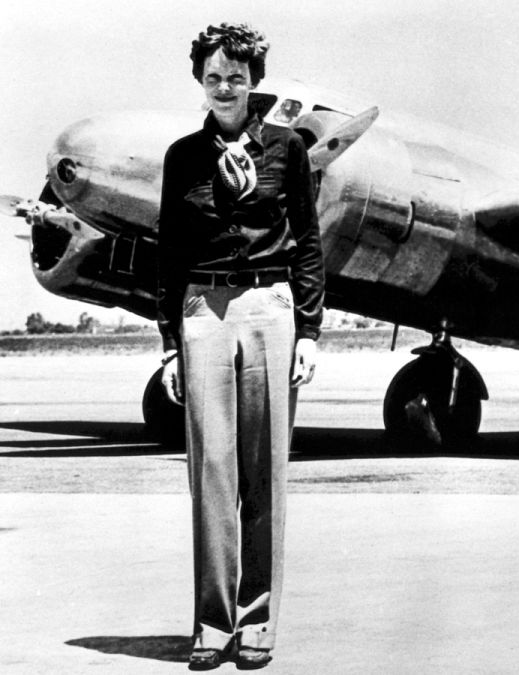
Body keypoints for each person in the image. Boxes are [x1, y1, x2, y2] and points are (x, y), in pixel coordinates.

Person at [156, 22, 325, 671]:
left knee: (264, 475)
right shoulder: (182, 158)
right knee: (211, 475)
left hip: (270, 307)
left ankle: (257, 624)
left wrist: (308, 331)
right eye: (213, 77)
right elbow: (169, 254)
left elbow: (307, 243)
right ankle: (211, 623)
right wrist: (171, 342)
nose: (224, 87)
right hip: (204, 307)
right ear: (199, 81)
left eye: (236, 76)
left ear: (255, 80)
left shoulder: (287, 149)